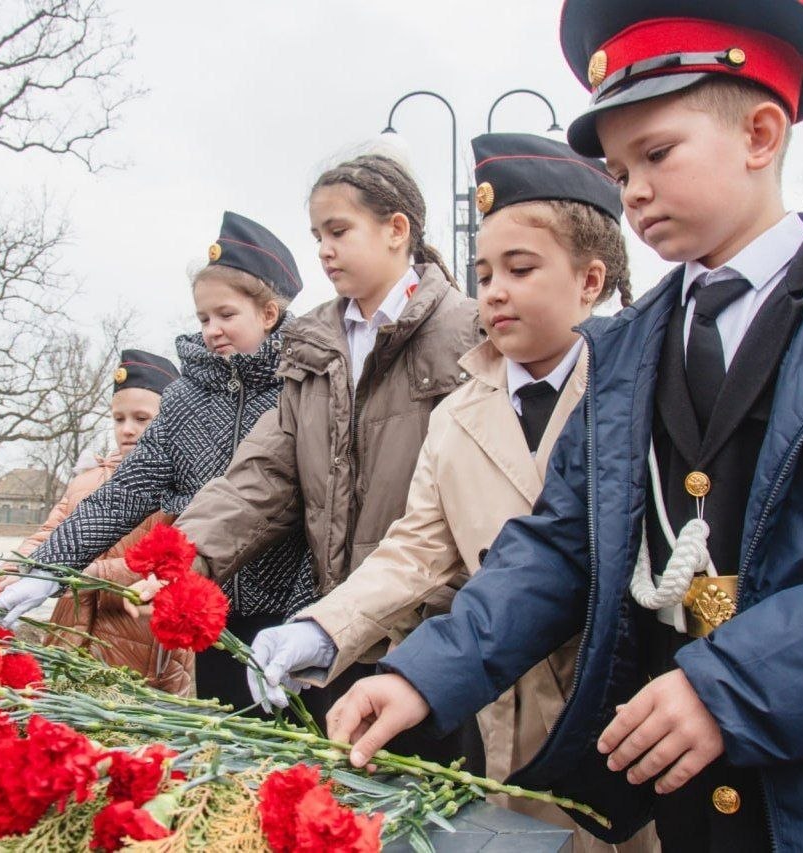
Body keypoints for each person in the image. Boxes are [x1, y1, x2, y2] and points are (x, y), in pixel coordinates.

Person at [326, 2, 803, 850]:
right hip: (683, 798)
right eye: (619, 167)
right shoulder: (629, 348)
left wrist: (733, 686)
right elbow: (562, 544)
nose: (630, 190)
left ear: (762, 134)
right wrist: (424, 673)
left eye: (656, 155)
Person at [247, 133, 657, 852]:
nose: (493, 290)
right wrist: (323, 627)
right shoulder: (458, 412)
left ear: (590, 282)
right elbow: (415, 550)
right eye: (484, 270)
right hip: (502, 713)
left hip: (625, 715)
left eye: (520, 268)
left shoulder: (641, 389)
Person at [172, 154, 484, 762]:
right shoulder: (313, 343)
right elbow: (261, 476)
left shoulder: (466, 332)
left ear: (397, 230)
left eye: (339, 231)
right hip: (331, 631)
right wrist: (181, 558)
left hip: (431, 637)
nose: (323, 250)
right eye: (317, 236)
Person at [0, 211, 316, 708]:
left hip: (285, 615)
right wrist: (48, 566)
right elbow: (127, 491)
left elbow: (319, 512)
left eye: (226, 315)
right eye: (203, 318)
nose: (212, 330)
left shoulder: (301, 388)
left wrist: (305, 617)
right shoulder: (186, 399)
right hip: (199, 614)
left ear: (269, 314)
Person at [0, 351, 194, 694]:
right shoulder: (86, 481)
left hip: (139, 649)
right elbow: (49, 535)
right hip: (70, 637)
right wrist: (17, 569)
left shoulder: (182, 487)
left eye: (142, 418)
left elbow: (181, 563)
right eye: (119, 419)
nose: (127, 429)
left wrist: (96, 574)